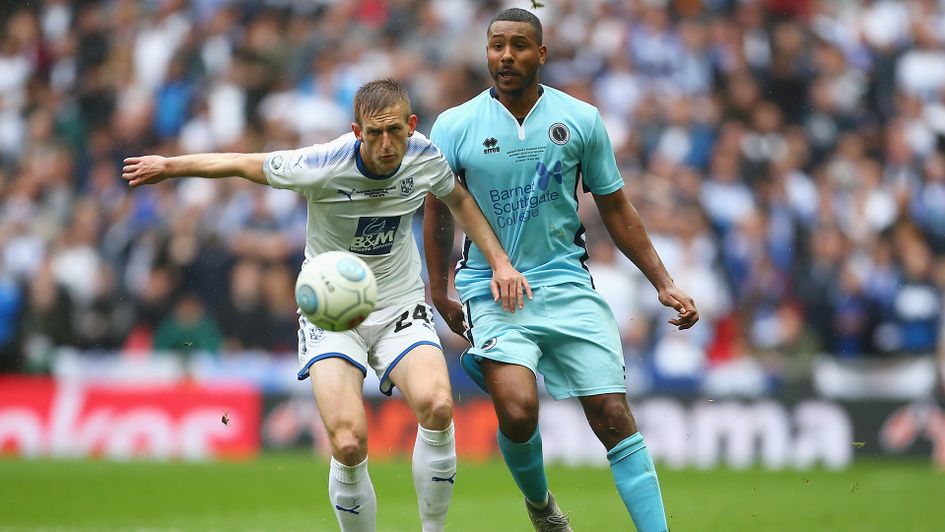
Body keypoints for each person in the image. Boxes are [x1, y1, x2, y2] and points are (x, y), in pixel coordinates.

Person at [123, 78, 530, 532]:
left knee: (437, 405)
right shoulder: (322, 164)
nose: (386, 143)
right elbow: (243, 162)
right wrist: (170, 166)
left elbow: (460, 201)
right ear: (357, 132)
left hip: (398, 304)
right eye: (374, 133)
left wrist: (500, 263)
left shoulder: (424, 156)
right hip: (333, 314)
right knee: (349, 441)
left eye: (394, 130)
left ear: (411, 125)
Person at [423, 9, 698, 532]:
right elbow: (437, 210)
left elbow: (616, 207)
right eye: (497, 46)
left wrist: (663, 281)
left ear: (542, 54)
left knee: (613, 416)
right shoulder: (455, 125)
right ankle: (542, 508)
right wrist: (439, 290)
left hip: (567, 283)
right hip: (491, 290)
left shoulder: (580, 119)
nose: (506, 56)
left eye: (519, 46)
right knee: (518, 409)